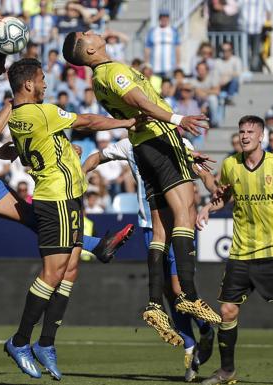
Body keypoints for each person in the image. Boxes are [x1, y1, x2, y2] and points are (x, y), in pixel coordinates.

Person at [0, 38, 133, 364]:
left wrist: (4, 151)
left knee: (32, 218)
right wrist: (11, 107)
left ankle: (95, 245)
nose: (1, 74)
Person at [63, 30, 222, 342]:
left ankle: (153, 303)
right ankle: (189, 293)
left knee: (161, 228)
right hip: (161, 139)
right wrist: (177, 119)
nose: (92, 31)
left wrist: (186, 150)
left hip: (143, 147)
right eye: (86, 34)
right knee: (185, 213)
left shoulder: (99, 79)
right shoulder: (113, 71)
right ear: (90, 50)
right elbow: (138, 100)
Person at [3, 58, 138, 380]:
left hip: (68, 195)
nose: (46, 85)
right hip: (57, 199)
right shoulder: (41, 112)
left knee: (71, 270)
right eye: (41, 79)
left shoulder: (18, 117)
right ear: (28, 85)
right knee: (53, 273)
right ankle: (20, 340)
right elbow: (88, 120)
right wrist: (129, 122)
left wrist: (65, 150)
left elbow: (33, 152)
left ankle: (46, 343)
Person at [83, 136, 217, 381]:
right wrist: (79, 173)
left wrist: (211, 184)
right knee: (167, 290)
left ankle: (206, 330)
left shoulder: (177, 141)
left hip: (178, 224)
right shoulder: (128, 144)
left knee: (178, 288)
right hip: (150, 226)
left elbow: (199, 170)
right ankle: (191, 345)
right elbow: (97, 157)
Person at [197, 115, 273, 385]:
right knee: (227, 310)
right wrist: (207, 207)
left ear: (261, 136)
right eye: (241, 131)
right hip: (241, 251)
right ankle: (226, 371)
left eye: (250, 132)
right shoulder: (230, 165)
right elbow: (223, 198)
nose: (245, 136)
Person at [144, 11, 181, 78]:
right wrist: (147, 63)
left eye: (166, 17)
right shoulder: (152, 31)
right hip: (155, 67)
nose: (164, 19)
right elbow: (147, 48)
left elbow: (177, 48)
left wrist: (178, 64)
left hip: (170, 67)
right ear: (159, 19)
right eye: (162, 17)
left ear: (168, 19)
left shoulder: (173, 31)